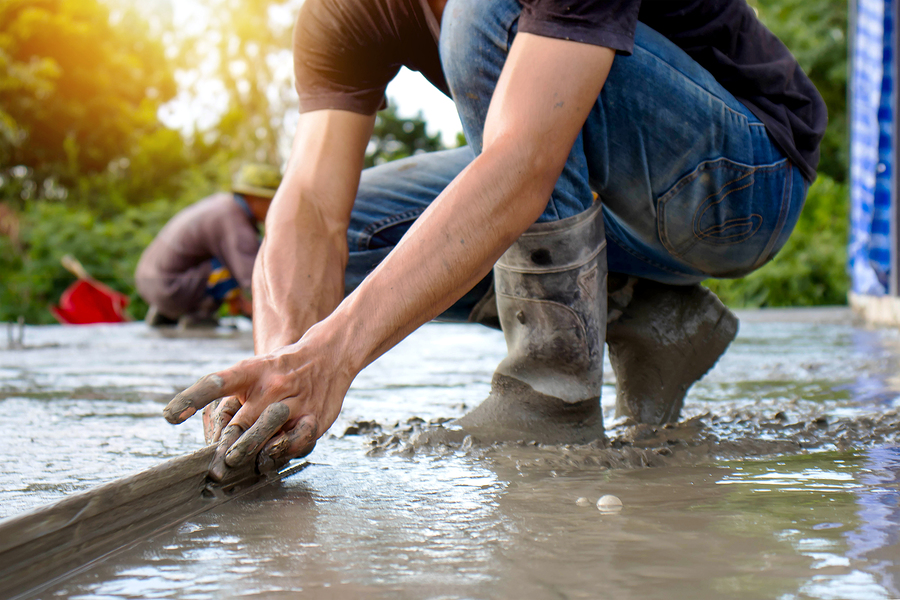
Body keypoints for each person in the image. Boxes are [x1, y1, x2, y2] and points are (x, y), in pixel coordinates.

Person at [163, 0, 826, 480]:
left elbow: (523, 163)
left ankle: (551, 391)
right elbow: (309, 207)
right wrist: (282, 378)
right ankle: (652, 312)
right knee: (362, 230)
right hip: (605, 188)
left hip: (741, 179)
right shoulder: (341, 13)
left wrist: (334, 359)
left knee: (482, 17)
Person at [136, 163, 281, 328]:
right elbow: (253, 277)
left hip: (152, 284)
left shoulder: (223, 205)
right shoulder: (233, 221)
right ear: (255, 198)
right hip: (170, 288)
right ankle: (199, 315)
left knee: (231, 258)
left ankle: (167, 314)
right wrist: (276, 315)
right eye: (273, 202)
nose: (276, 209)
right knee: (247, 262)